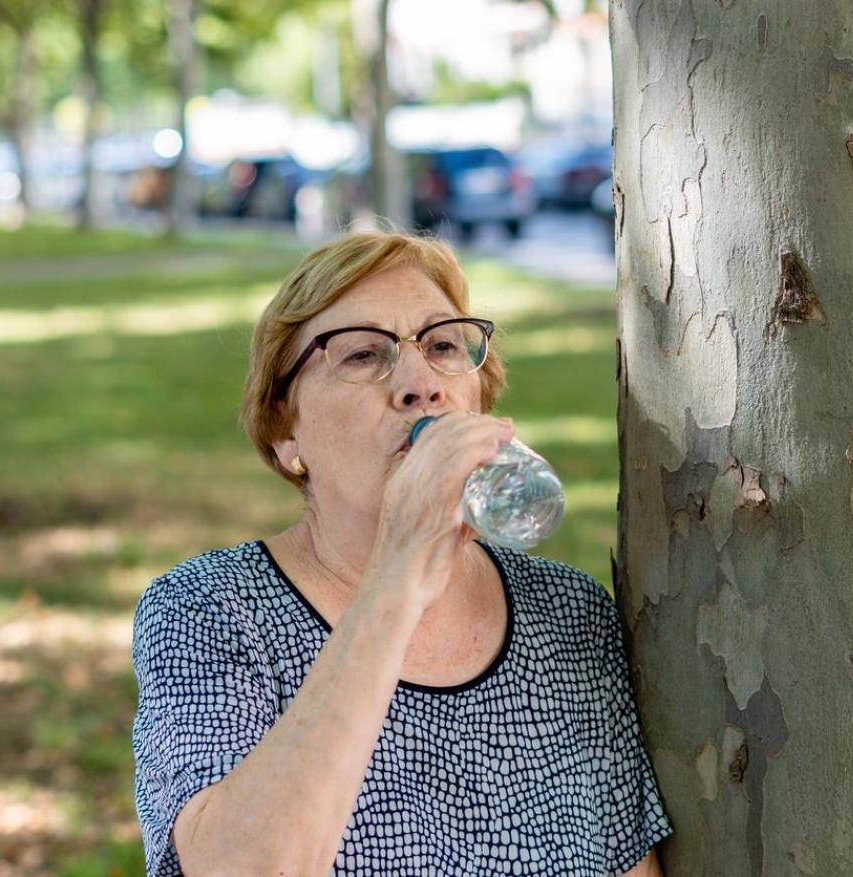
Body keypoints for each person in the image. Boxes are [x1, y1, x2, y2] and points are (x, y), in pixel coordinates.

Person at [131, 231, 674, 875]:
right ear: (284, 431)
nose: (420, 384)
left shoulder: (569, 612)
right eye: (362, 355)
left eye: (443, 345)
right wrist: (399, 571)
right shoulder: (208, 609)